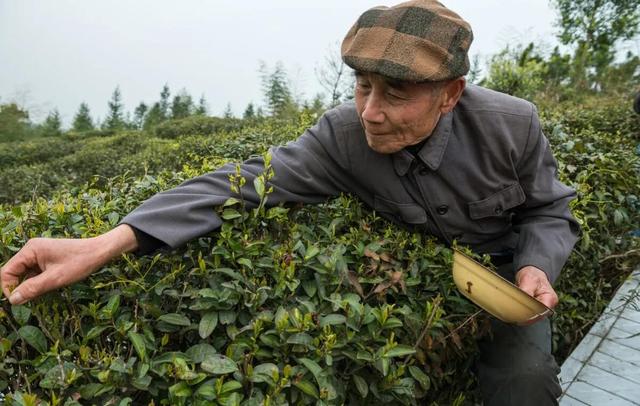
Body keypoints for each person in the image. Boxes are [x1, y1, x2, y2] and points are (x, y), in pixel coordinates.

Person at [1, 1, 578, 404]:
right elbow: (239, 183)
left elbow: (549, 209)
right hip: (422, 286)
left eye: (395, 95)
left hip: (503, 282)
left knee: (524, 380)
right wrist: (108, 242)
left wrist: (534, 265)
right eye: (362, 88)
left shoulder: (512, 124)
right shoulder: (344, 136)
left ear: (450, 95)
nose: (370, 112)